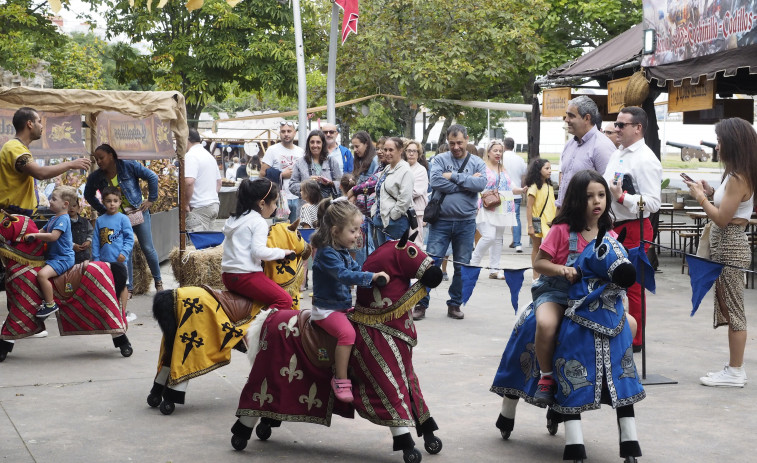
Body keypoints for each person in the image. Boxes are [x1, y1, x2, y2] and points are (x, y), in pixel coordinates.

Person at [531, 170, 636, 405]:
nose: (596, 201)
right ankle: (546, 377)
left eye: (601, 195)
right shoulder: (561, 230)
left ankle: (613, 374)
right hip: (557, 292)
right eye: (589, 196)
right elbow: (539, 263)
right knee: (547, 323)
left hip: (593, 299)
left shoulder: (610, 235)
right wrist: (561, 269)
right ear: (577, 199)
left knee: (630, 324)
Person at [684, 118, 757, 387]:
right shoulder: (735, 172)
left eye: (720, 140)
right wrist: (711, 192)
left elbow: (723, 218)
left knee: (734, 309)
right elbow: (729, 206)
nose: (717, 145)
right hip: (725, 245)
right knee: (728, 305)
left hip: (731, 245)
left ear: (733, 143)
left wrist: (699, 197)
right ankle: (732, 367)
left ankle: (736, 371)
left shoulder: (739, 177)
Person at [310, 199, 389, 402]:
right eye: (353, 231)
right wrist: (369, 278)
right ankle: (341, 379)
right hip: (327, 310)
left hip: (341, 306)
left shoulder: (341, 250)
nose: (357, 235)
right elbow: (344, 275)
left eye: (358, 230)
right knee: (347, 334)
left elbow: (355, 269)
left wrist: (374, 275)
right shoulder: (327, 253)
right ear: (336, 231)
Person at [602, 106, 662, 351]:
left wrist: (623, 197)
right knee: (611, 283)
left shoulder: (646, 159)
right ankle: (618, 329)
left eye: (621, 125)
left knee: (634, 287)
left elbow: (653, 203)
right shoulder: (618, 153)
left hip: (636, 226)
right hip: (615, 226)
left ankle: (636, 341)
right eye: (616, 124)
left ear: (637, 128)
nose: (616, 129)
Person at [413, 124, 487, 321]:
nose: (456, 147)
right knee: (430, 263)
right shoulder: (439, 159)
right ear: (447, 141)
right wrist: (466, 184)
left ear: (467, 139)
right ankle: (421, 303)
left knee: (462, 266)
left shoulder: (477, 162)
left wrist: (453, 176)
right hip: (441, 222)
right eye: (452, 143)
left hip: (466, 223)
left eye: (460, 143)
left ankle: (455, 304)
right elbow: (435, 182)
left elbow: (481, 184)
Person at [84, 143, 163, 295]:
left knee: (147, 247)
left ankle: (158, 282)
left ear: (111, 156)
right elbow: (88, 194)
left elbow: (152, 177)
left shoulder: (128, 165)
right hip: (117, 218)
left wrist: (151, 199)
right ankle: (129, 287)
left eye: (101, 158)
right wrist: (102, 210)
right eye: (96, 159)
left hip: (137, 212)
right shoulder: (96, 176)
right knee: (124, 250)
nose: (99, 162)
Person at [0, 107, 91, 216]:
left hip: (18, 218)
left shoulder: (19, 148)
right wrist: (70, 164)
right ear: (30, 124)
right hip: (11, 219)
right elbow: (40, 173)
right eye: (38, 121)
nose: (41, 125)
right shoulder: (14, 147)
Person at [220, 178, 295, 310]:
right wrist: (282, 252)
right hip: (246, 276)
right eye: (274, 202)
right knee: (285, 300)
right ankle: (262, 330)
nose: (276, 207)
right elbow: (258, 252)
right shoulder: (258, 222)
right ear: (262, 203)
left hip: (227, 276)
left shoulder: (235, 218)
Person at [470, 140, 523, 280]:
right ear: (488, 152)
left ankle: (494, 269)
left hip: (502, 207)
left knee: (498, 239)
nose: (498, 153)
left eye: (500, 151)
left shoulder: (502, 168)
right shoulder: (482, 167)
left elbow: (511, 186)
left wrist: (521, 190)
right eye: (495, 150)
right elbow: (474, 185)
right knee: (489, 236)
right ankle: (473, 264)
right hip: (485, 206)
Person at [24, 186, 78, 318]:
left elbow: (53, 236)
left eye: (54, 199)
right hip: (55, 257)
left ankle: (50, 304)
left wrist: (35, 236)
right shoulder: (54, 218)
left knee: (42, 275)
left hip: (63, 258)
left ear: (65, 204)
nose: (50, 201)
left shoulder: (64, 219)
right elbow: (41, 231)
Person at [556, 95, 615, 209]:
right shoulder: (570, 144)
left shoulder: (602, 146)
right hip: (565, 217)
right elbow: (563, 185)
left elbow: (609, 189)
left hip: (587, 222)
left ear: (587, 118)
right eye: (566, 115)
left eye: (571, 116)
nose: (566, 120)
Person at [92, 186, 134, 312]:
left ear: (120, 202)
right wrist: (96, 259)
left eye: (115, 201)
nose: (112, 204)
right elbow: (96, 241)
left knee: (122, 285)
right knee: (107, 285)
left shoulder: (123, 219)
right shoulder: (100, 220)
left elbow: (129, 238)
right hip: (104, 261)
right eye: (109, 201)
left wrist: (124, 253)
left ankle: (123, 311)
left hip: (120, 261)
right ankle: (110, 309)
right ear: (103, 202)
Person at [260, 121, 305, 223]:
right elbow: (262, 173)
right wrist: (281, 174)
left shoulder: (301, 152)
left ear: (294, 133)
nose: (286, 134)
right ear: (279, 133)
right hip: (279, 198)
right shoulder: (272, 150)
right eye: (283, 131)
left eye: (289, 131)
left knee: (296, 229)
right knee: (279, 230)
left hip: (298, 197)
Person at [346, 131, 380, 265]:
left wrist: (354, 191)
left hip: (370, 211)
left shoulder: (375, 161)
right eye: (353, 147)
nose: (355, 150)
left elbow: (372, 184)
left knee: (369, 246)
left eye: (357, 146)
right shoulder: (359, 161)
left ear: (366, 144)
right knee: (361, 246)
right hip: (360, 211)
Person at [372, 137, 414, 246]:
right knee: (383, 258)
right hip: (381, 221)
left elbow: (404, 200)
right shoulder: (387, 169)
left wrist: (392, 217)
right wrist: (374, 213)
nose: (387, 153)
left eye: (391, 150)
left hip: (396, 223)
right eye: (385, 150)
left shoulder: (405, 171)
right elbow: (379, 193)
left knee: (394, 259)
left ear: (400, 151)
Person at [184, 129, 222, 232]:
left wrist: (185, 203)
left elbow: (189, 182)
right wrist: (209, 196)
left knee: (196, 244)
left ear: (186, 140)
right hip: (213, 205)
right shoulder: (209, 155)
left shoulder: (191, 156)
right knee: (208, 245)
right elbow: (219, 183)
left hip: (199, 207)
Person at [289, 130, 341, 201]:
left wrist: (330, 183)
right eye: (312, 142)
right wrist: (307, 183)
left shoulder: (332, 162)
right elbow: (292, 186)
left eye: (318, 142)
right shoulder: (300, 163)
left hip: (327, 207)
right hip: (306, 207)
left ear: (323, 144)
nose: (315, 145)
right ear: (308, 144)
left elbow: (340, 184)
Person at [525, 158, 556, 280]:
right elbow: (529, 206)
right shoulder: (533, 187)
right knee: (536, 248)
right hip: (537, 222)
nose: (549, 171)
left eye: (550, 168)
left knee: (548, 249)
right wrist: (530, 225)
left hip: (549, 222)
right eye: (546, 168)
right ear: (539, 170)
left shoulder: (549, 186)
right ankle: (535, 275)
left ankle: (546, 272)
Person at [501, 137, 527, 252]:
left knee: (500, 217)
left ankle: (498, 242)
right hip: (516, 192)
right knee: (515, 218)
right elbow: (523, 177)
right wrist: (521, 189)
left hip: (502, 193)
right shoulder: (520, 159)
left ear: (504, 146)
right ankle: (517, 243)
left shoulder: (500, 158)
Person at [404, 140, 428, 246]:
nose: (411, 153)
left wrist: (398, 194)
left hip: (415, 213)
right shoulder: (402, 168)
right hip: (402, 213)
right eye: (409, 150)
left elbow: (415, 192)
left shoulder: (421, 170)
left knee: (415, 245)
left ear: (419, 154)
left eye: (414, 151)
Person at [69, 198, 93, 264]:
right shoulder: (65, 222)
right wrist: (72, 245)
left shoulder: (85, 221)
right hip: (71, 257)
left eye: (74, 206)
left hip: (85, 256)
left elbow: (91, 232)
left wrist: (88, 241)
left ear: (78, 207)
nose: (71, 208)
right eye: (69, 206)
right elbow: (62, 238)